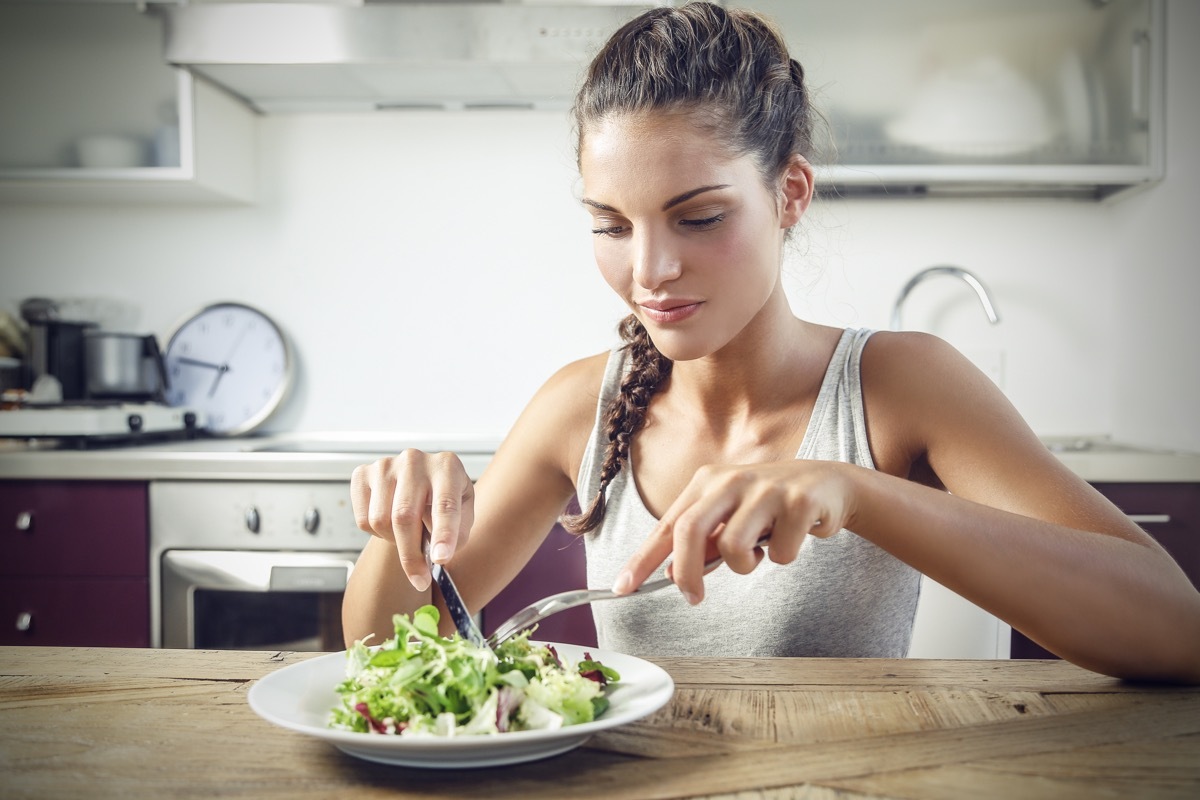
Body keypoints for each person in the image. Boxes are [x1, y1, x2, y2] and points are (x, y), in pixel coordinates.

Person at [344, 1, 1200, 682]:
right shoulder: (583, 408)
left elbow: (1175, 628)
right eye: (610, 225)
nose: (650, 271)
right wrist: (402, 528)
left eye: (700, 217)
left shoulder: (901, 385)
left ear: (790, 193)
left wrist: (857, 493)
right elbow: (377, 642)